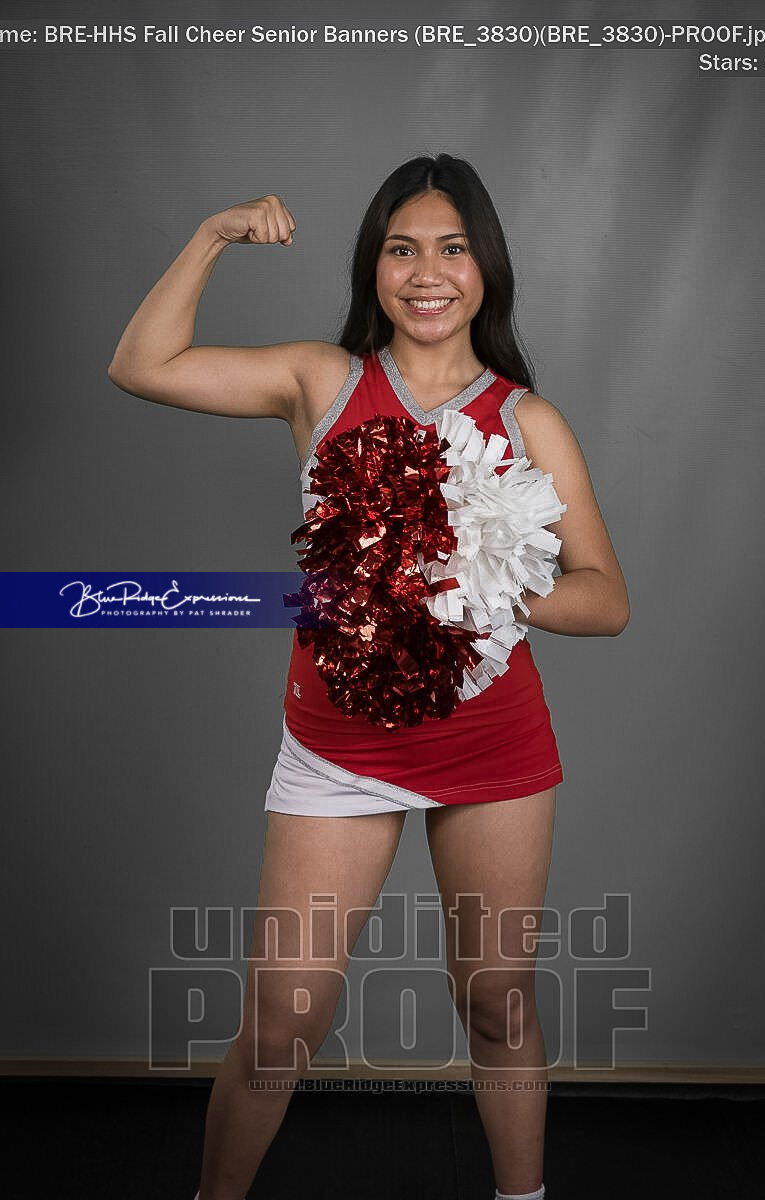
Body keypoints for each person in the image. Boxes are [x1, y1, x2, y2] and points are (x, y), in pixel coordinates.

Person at [108, 154, 630, 1200]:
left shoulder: (526, 421)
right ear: (373, 268)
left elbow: (604, 597)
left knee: (496, 1004)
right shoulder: (322, 381)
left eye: (452, 249)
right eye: (401, 250)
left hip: (490, 747)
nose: (426, 273)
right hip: (336, 745)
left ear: (485, 268)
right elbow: (142, 365)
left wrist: (487, 586)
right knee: (282, 1021)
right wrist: (213, 234)